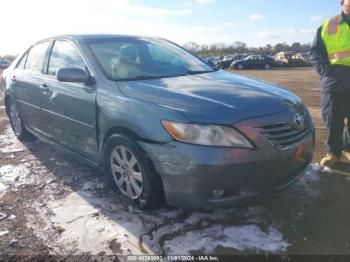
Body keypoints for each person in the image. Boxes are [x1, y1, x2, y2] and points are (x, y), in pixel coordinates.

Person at [310, 0, 350, 168]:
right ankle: (334, 153)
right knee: (333, 120)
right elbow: (315, 53)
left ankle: (347, 151)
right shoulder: (328, 25)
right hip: (334, 82)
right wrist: (328, 72)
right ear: (342, 3)